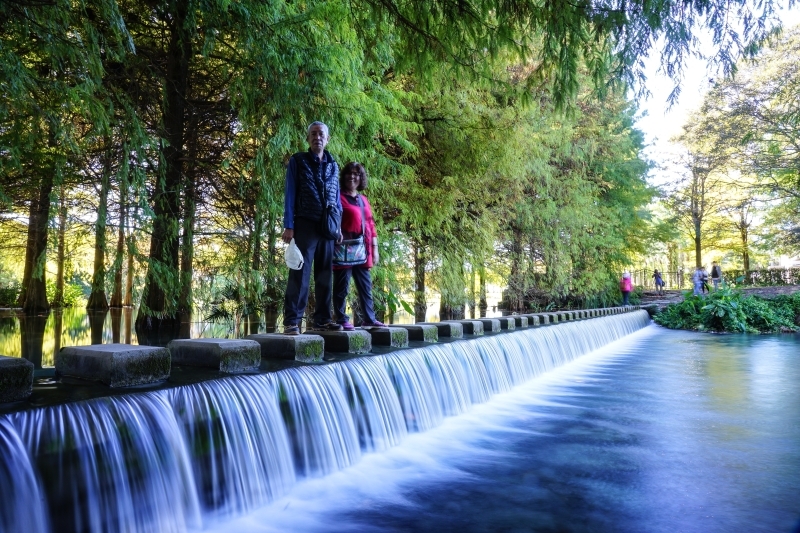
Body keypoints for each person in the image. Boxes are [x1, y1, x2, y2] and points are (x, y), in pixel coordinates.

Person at [281, 121, 343, 335]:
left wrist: (338, 227)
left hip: (328, 226)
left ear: (327, 139)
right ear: (308, 138)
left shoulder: (333, 165)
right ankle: (292, 321)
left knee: (325, 274)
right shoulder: (298, 161)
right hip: (305, 223)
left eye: (321, 134)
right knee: (300, 272)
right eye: (313, 134)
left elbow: (337, 199)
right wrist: (289, 225)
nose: (317, 137)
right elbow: (290, 193)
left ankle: (322, 320)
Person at [332, 162, 386, 330]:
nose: (352, 176)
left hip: (363, 249)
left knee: (365, 286)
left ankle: (369, 319)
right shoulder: (338, 197)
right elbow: (332, 218)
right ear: (344, 177)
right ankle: (341, 319)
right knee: (342, 286)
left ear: (360, 178)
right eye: (349, 173)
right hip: (344, 248)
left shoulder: (363, 200)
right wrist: (336, 233)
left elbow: (370, 224)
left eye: (356, 174)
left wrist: (375, 249)